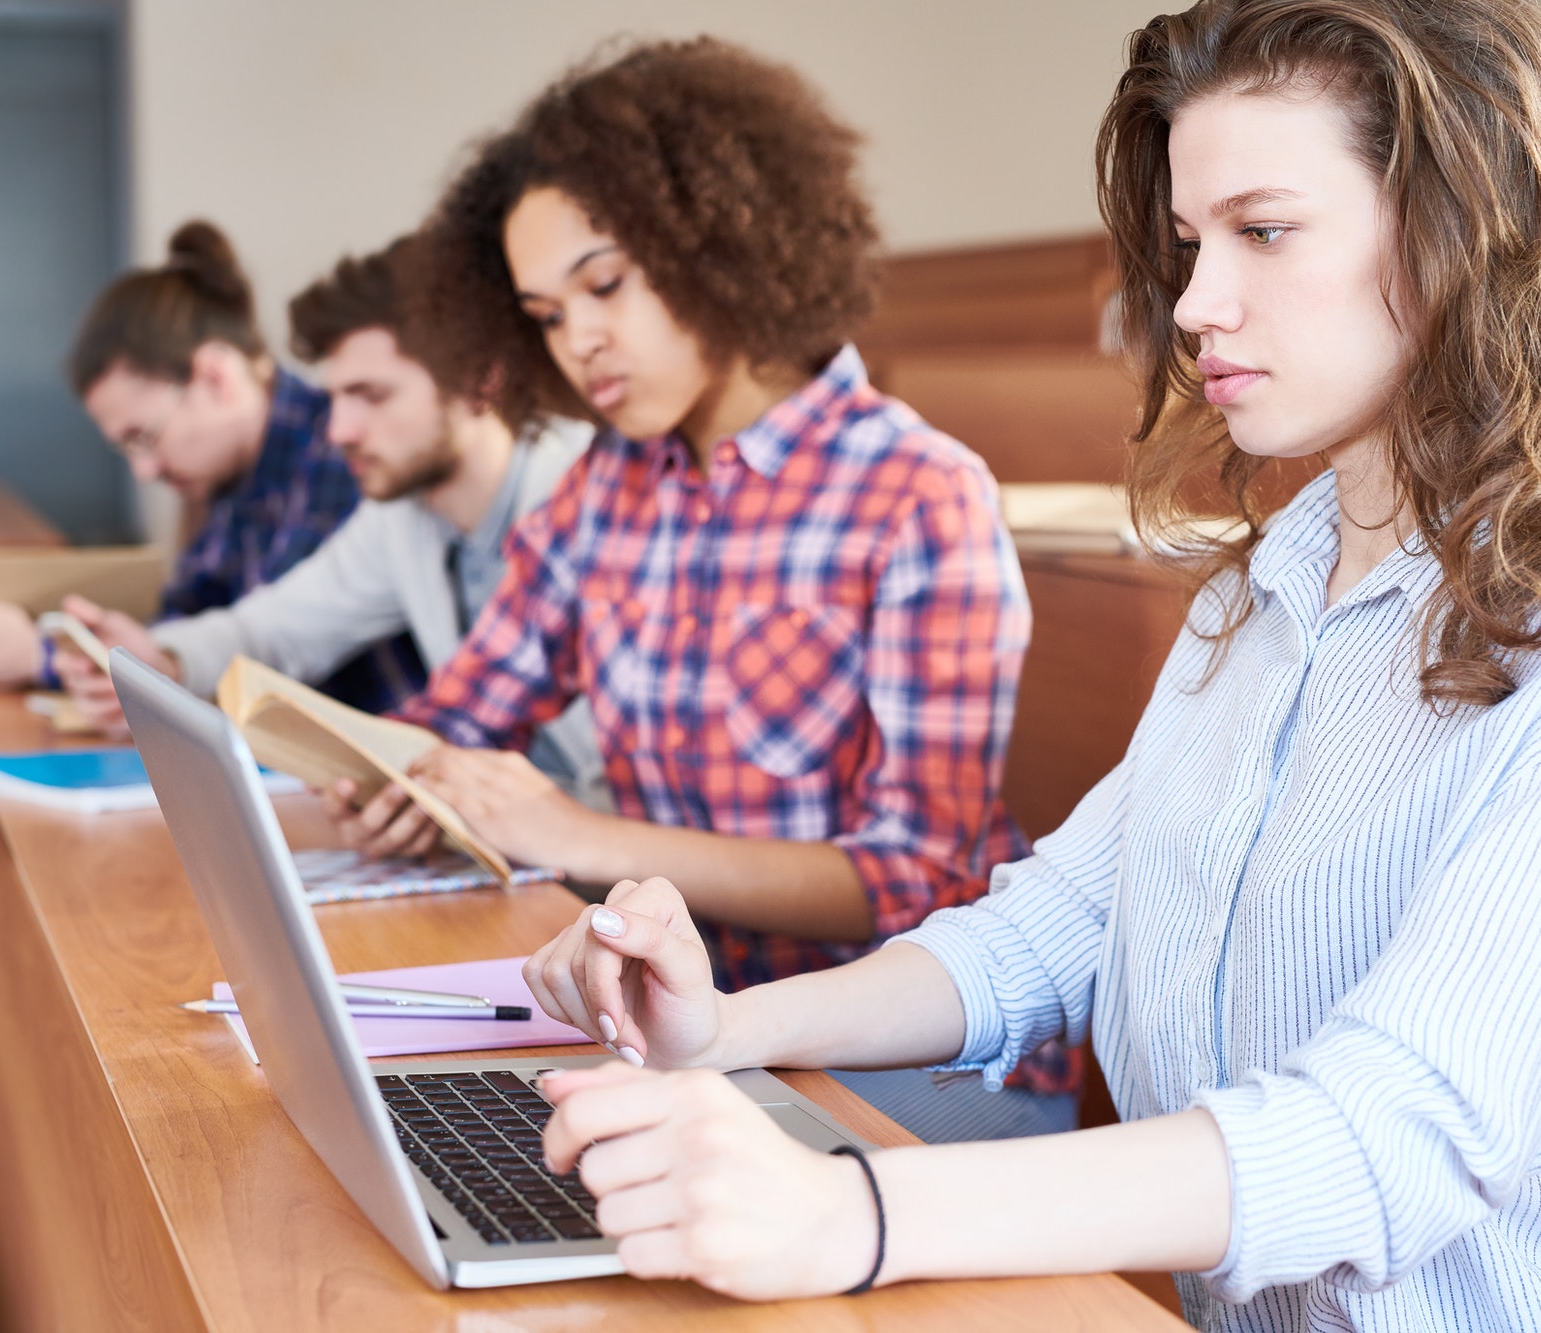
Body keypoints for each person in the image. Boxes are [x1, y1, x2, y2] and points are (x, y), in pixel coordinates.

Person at [513, 1, 1541, 1325]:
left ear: (1463, 233)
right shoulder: (1272, 583)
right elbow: (1055, 927)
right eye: (1188, 244)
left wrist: (850, 1209)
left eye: (1266, 232)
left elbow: (1391, 1133)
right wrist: (727, 1032)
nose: (1195, 304)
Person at [329, 38, 1031, 997]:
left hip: (886, 1045)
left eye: (605, 283)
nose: (579, 340)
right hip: (676, 1019)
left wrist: (575, 836)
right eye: (543, 314)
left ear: (721, 239)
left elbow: (919, 878)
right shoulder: (600, 491)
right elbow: (462, 711)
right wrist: (398, 776)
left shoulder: (919, 494)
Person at [50, 236, 604, 802]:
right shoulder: (404, 513)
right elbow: (278, 628)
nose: (339, 430)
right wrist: (164, 658)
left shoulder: (589, 498)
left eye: (372, 395)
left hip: (607, 862)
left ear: (480, 381)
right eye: (337, 397)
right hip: (497, 837)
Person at [0, 221, 422, 715]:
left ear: (215, 375)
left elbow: (277, 670)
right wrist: (114, 653)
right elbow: (200, 622)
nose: (144, 470)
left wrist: (46, 657)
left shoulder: (339, 460)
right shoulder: (234, 480)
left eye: (143, 436)